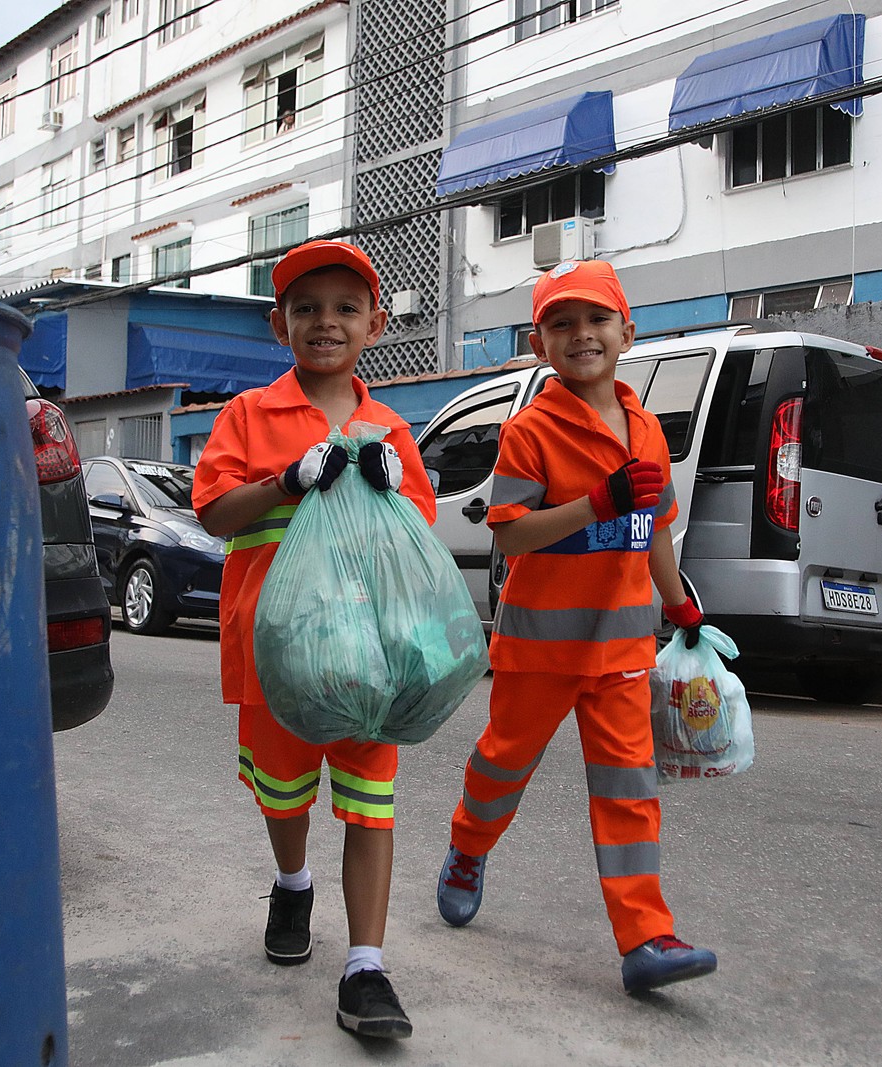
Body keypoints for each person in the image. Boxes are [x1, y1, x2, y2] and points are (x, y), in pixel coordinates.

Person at [434, 259, 718, 994]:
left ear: (628, 331)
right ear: (539, 344)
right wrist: (599, 502)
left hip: (622, 649)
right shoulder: (530, 432)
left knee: (630, 790)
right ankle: (468, 846)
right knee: (502, 766)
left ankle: (646, 937)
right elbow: (512, 536)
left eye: (595, 319)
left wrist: (680, 604)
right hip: (538, 647)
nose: (580, 335)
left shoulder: (650, 430)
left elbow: (656, 529)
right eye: (561, 323)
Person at [192, 239, 434, 1039]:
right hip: (278, 659)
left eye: (344, 308)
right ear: (279, 324)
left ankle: (366, 967)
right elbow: (213, 513)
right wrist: (286, 480)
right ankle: (292, 880)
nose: (325, 322)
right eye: (306, 308)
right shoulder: (247, 417)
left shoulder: (392, 429)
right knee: (285, 793)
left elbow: (420, 538)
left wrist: (395, 490)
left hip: (369, 658)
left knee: (370, 806)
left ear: (376, 323)